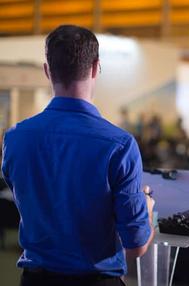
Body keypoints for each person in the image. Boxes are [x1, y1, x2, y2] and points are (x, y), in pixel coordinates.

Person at [1, 25, 154, 286]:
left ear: (48, 70)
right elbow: (136, 246)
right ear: (95, 68)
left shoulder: (15, 138)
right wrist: (147, 210)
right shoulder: (120, 145)